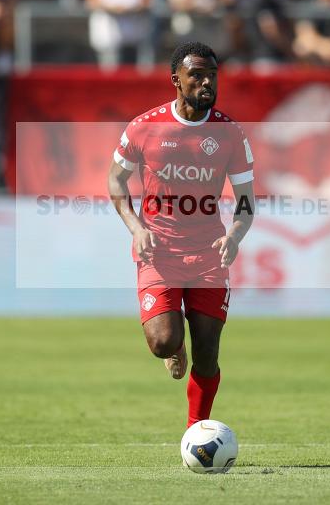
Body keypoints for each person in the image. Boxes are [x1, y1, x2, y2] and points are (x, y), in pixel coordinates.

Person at [107, 41, 255, 428]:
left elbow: (245, 201)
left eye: (212, 75)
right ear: (176, 80)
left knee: (207, 354)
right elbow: (115, 180)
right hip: (159, 251)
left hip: (209, 254)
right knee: (163, 343)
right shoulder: (145, 127)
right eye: (197, 75)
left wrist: (235, 236)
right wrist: (136, 228)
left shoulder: (230, 133)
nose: (207, 83)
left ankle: (197, 431)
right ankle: (175, 348)